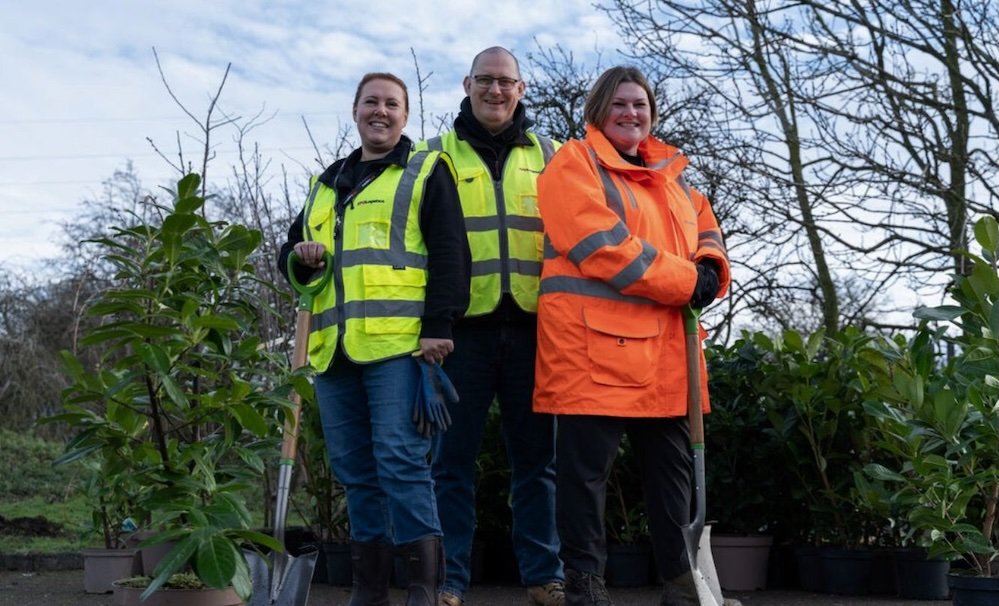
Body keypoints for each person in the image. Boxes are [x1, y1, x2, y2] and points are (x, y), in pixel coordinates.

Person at [533, 66, 730, 606]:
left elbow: (706, 227)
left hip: (666, 353)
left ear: (652, 113)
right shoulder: (572, 164)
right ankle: (586, 586)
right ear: (599, 109)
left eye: (640, 104)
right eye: (620, 104)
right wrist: (690, 279)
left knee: (672, 480)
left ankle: (683, 586)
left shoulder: (674, 177)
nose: (631, 113)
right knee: (584, 481)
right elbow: (602, 247)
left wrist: (711, 261)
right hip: (590, 352)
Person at [277, 72, 470, 606]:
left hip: (399, 348)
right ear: (355, 110)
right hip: (334, 349)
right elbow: (289, 254)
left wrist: (439, 327)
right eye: (371, 102)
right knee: (356, 471)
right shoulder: (327, 182)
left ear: (405, 116)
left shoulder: (426, 170)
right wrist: (300, 258)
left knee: (401, 461)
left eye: (391, 103)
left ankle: (424, 589)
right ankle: (369, 591)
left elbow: (452, 253)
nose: (380, 111)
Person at [417, 47, 565, 606]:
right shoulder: (432, 157)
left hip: (537, 329)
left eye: (506, 82)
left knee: (538, 464)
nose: (495, 91)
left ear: (522, 89)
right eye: (485, 80)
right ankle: (447, 581)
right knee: (449, 465)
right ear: (467, 84)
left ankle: (543, 577)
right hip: (460, 333)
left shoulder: (553, 155)